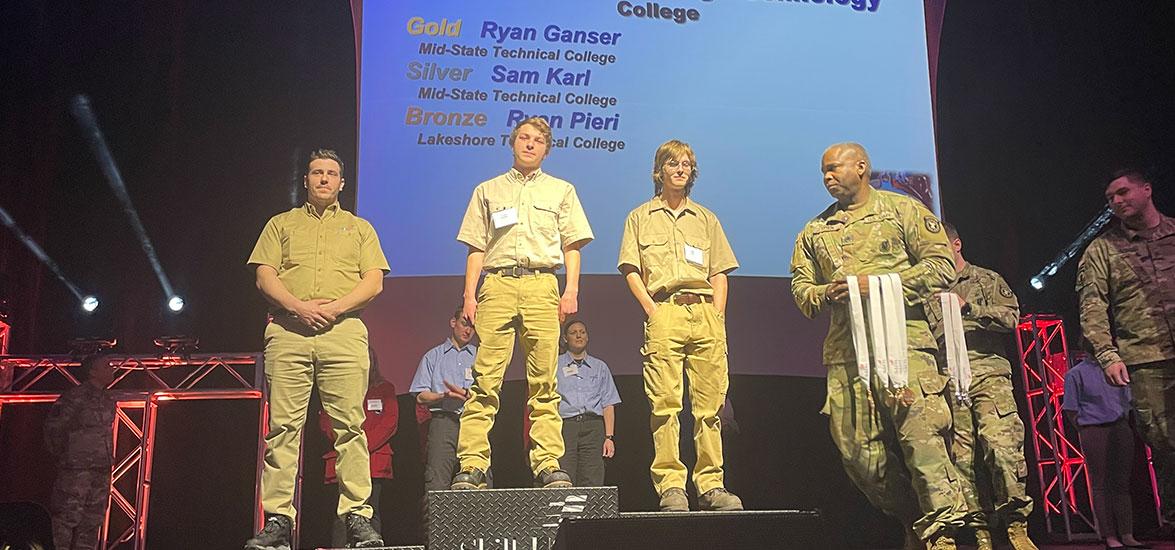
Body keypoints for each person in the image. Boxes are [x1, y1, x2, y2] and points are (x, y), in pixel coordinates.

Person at [789, 142, 966, 549]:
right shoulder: (815, 230)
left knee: (922, 444)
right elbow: (801, 288)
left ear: (862, 167)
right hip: (847, 355)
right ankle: (914, 518)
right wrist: (825, 293)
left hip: (906, 350)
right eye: (823, 172)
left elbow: (942, 266)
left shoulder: (903, 210)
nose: (827, 177)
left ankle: (943, 535)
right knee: (859, 457)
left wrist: (886, 285)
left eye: (834, 168)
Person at [245, 149, 389, 549]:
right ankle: (277, 520)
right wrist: (298, 307)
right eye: (316, 173)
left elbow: (374, 281)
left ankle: (358, 516)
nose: (324, 179)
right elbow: (264, 275)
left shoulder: (359, 228)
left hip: (343, 332)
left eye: (331, 174)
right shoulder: (281, 225)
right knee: (283, 429)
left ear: (342, 182)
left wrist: (335, 308)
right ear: (305, 180)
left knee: (349, 427)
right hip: (288, 332)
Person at [452, 117, 594, 490]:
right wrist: (469, 294)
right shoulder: (488, 189)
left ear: (547, 148)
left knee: (544, 382)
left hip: (542, 285)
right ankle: (473, 464)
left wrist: (572, 289)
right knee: (485, 380)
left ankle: (548, 463)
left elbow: (572, 246)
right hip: (496, 286)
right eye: (523, 138)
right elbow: (475, 248)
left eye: (538, 140)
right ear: (512, 142)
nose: (530, 144)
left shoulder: (562, 190)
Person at [617, 139, 743, 512]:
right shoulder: (640, 217)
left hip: (705, 315)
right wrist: (652, 309)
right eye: (673, 163)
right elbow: (631, 269)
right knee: (666, 405)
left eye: (687, 164)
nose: (681, 169)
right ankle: (672, 486)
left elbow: (720, 271)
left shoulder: (706, 218)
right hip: (665, 312)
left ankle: (711, 485)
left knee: (709, 407)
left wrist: (717, 315)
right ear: (660, 171)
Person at [926, 222, 1036, 550]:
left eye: (940, 246)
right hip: (948, 379)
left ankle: (1016, 525)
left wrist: (970, 307)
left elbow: (1012, 317)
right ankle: (980, 531)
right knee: (962, 459)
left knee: (1001, 446)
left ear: (956, 244)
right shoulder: (927, 288)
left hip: (988, 375)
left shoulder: (985, 279)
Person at [1077, 168, 1175, 527]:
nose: (1116, 202)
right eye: (1110, 198)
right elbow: (1092, 306)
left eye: (1123, 192)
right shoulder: (1103, 249)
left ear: (1146, 190)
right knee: (1165, 446)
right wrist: (1106, 354)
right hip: (1146, 360)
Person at [1063, 349, 1150, 550]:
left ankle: (1127, 534)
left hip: (1120, 426)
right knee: (1100, 484)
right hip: (1094, 429)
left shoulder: (1118, 368)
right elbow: (1070, 408)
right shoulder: (1075, 374)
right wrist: (1086, 427)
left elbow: (1129, 398)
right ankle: (1110, 536)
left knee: (1121, 483)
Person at [318, 349, 398, 547]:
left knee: (371, 511)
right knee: (342, 513)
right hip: (343, 459)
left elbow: (390, 423)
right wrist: (351, 448)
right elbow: (326, 422)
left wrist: (360, 448)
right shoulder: (337, 388)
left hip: (374, 461)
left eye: (369, 359)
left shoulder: (385, 389)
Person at [43, 352, 116, 550]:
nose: (112, 369)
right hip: (76, 470)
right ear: (92, 371)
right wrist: (68, 457)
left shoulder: (108, 399)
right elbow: (54, 430)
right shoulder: (74, 397)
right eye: (106, 366)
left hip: (101, 470)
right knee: (66, 519)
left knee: (92, 522)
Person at [409, 305, 478, 491]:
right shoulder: (433, 356)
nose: (468, 330)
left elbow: (493, 391)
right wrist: (444, 395)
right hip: (443, 422)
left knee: (478, 480)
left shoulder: (480, 357)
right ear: (453, 322)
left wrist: (470, 395)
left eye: (472, 326)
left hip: (474, 423)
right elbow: (421, 396)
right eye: (464, 323)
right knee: (438, 481)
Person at [555, 319, 621, 486]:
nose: (578, 335)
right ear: (565, 338)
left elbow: (608, 403)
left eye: (582, 332)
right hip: (565, 427)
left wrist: (609, 437)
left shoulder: (600, 367)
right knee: (564, 474)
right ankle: (567, 513)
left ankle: (590, 512)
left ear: (587, 337)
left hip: (593, 428)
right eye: (573, 332)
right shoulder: (555, 365)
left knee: (593, 476)